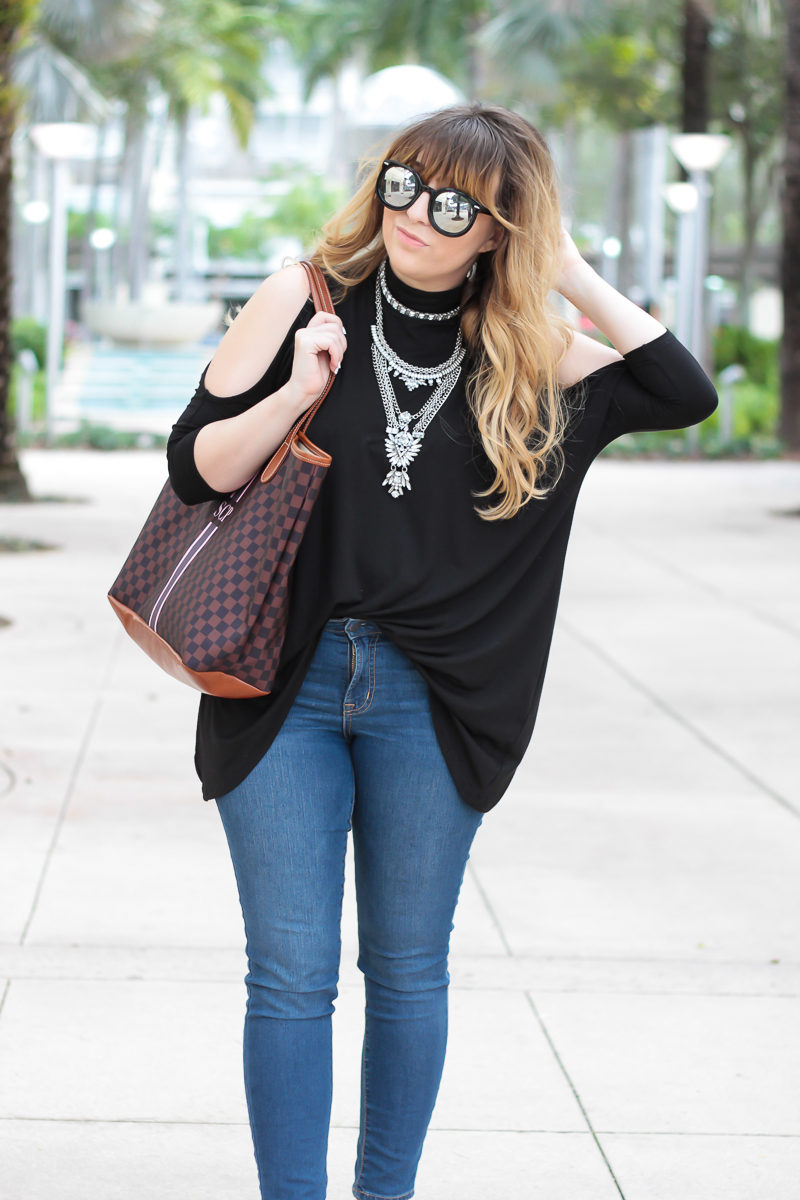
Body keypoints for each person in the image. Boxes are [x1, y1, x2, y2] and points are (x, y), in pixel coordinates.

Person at [166, 104, 718, 1200]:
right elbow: (196, 471)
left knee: (409, 970)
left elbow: (679, 392)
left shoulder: (529, 352)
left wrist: (563, 268)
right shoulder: (302, 299)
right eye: (404, 184)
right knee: (289, 975)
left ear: (498, 228)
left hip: (435, 697)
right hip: (287, 683)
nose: (417, 214)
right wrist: (294, 391)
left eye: (456, 202)